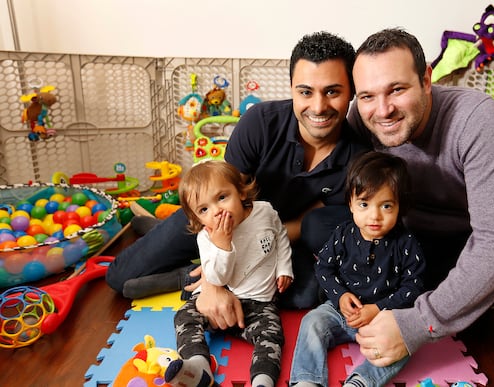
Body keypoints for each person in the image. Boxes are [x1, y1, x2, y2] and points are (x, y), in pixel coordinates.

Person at [346, 28, 494, 367]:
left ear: (425, 79)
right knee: (321, 228)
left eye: (397, 89)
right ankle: (453, 299)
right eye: (367, 96)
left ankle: (428, 299)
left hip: (464, 246)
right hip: (398, 245)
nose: (383, 110)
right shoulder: (360, 119)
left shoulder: (475, 118)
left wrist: (418, 324)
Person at [105, 31, 370, 314]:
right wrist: (213, 271)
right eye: (305, 92)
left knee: (305, 296)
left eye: (332, 91)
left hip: (278, 238)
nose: (318, 107)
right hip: (219, 220)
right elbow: (218, 195)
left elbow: (309, 224)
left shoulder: (360, 158)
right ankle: (189, 264)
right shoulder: (260, 122)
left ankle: (183, 275)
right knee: (120, 277)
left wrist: (233, 259)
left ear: (351, 91)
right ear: (291, 87)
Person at [289, 151, 425, 387]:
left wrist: (378, 308)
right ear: (351, 204)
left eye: (386, 206)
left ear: (400, 206)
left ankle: (361, 381)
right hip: (341, 310)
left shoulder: (406, 243)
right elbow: (323, 267)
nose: (374, 216)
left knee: (407, 343)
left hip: (383, 320)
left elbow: (414, 286)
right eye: (364, 204)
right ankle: (307, 380)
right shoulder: (343, 234)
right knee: (312, 321)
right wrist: (340, 296)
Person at [164, 161, 293, 387]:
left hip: (259, 305)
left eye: (222, 197)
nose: (217, 211)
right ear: (198, 218)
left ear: (241, 191)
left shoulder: (265, 211)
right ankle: (198, 366)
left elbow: (280, 235)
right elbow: (216, 280)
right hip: (217, 303)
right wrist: (222, 245)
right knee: (183, 317)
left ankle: (262, 380)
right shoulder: (206, 237)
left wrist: (284, 267)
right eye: (204, 209)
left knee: (272, 338)